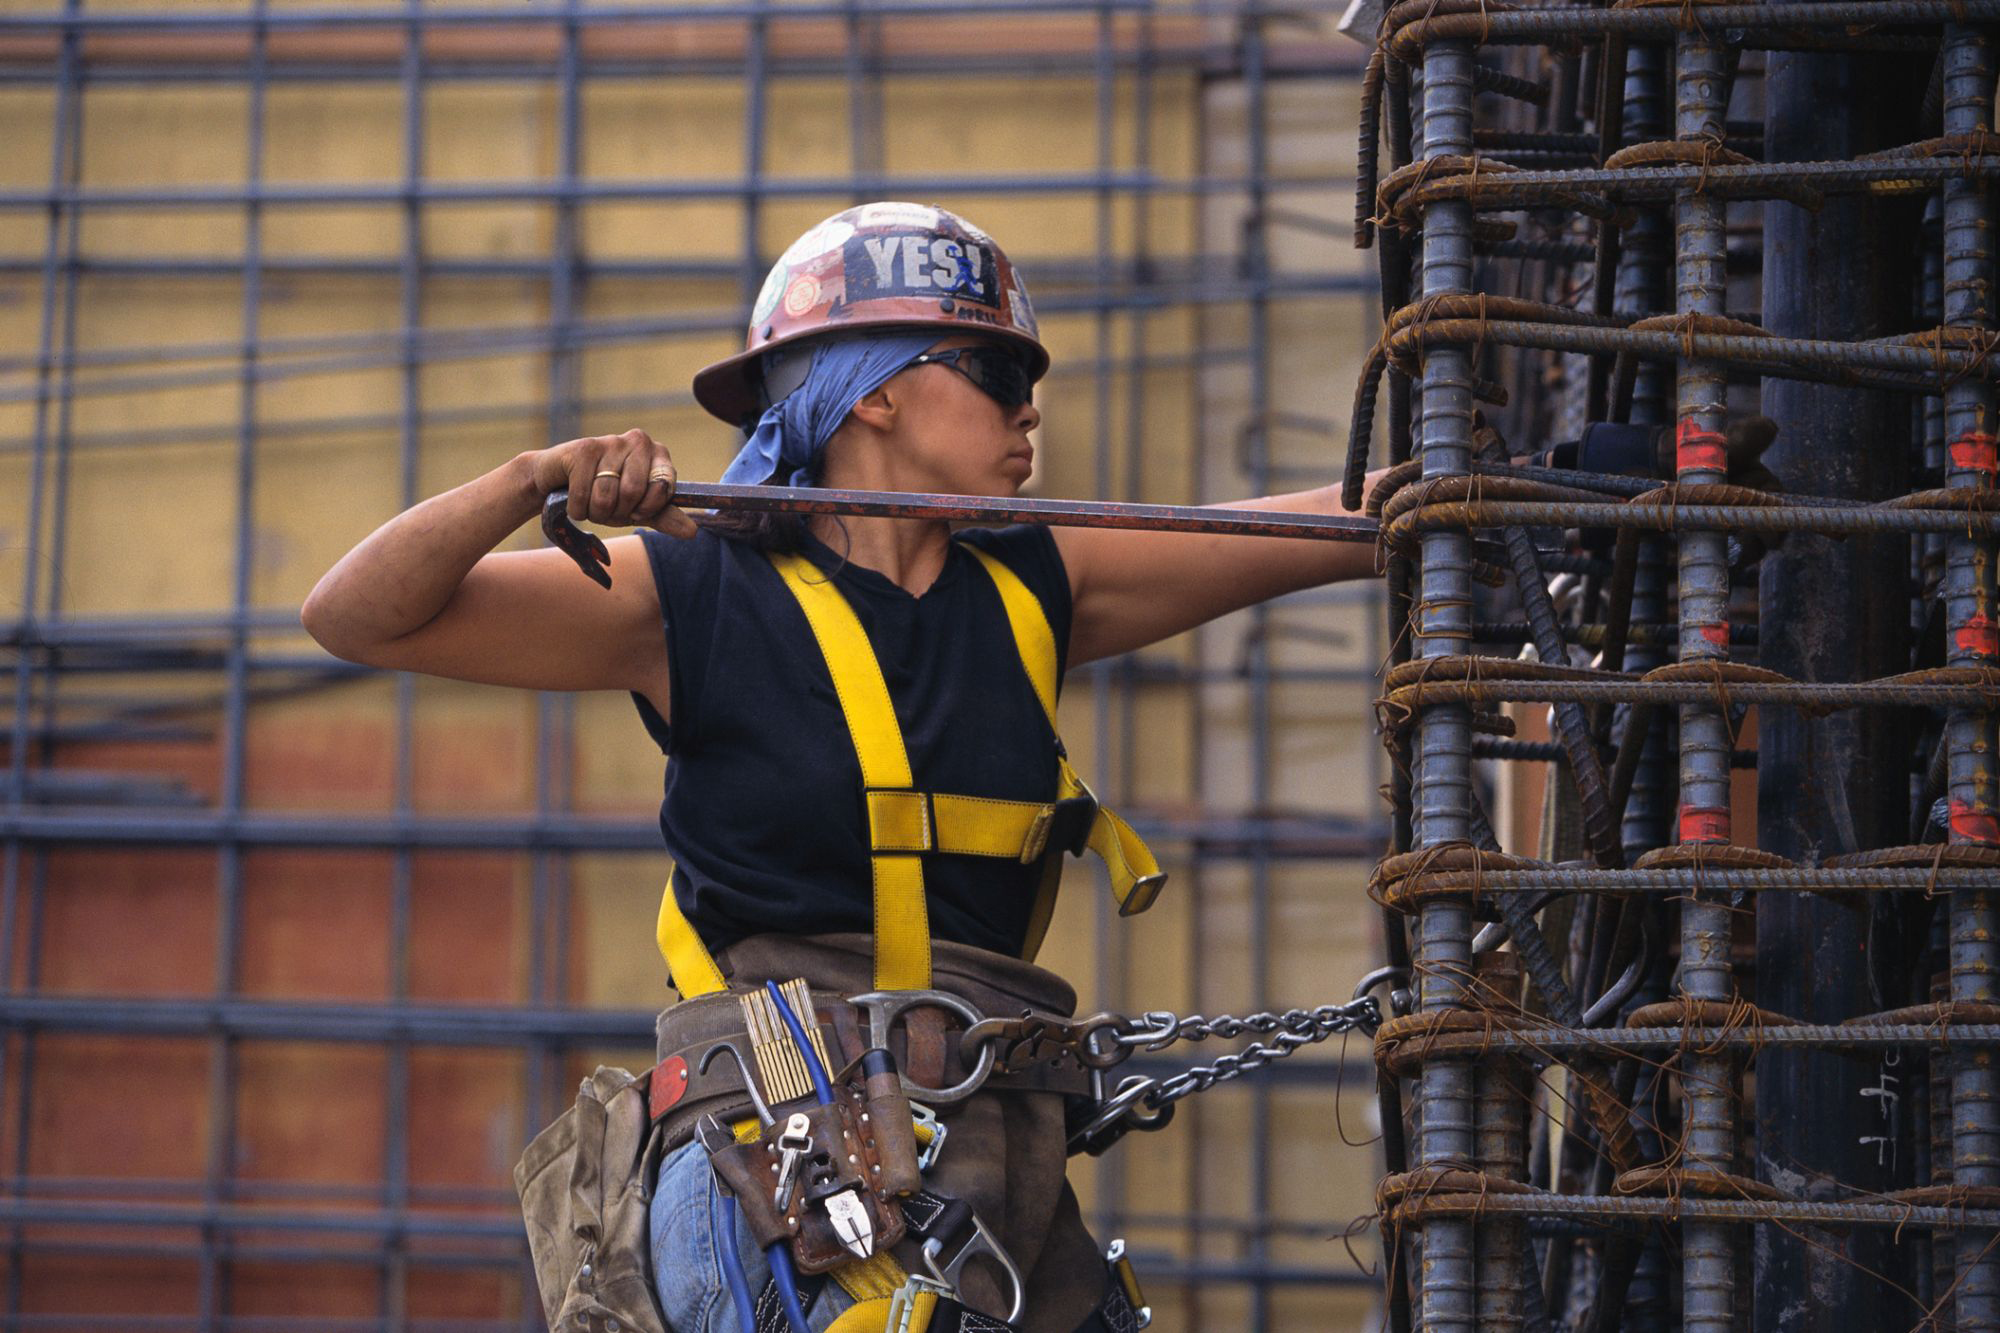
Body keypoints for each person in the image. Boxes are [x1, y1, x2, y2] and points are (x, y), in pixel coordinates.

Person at [302, 202, 1380, 1333]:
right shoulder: (691, 593)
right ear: (873, 391)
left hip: (983, 1163)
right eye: (991, 369)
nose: (1028, 408)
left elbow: (1334, 526)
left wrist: (1500, 479)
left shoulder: (1030, 585)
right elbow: (355, 616)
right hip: (779, 1173)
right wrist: (533, 480)